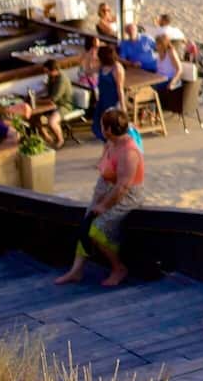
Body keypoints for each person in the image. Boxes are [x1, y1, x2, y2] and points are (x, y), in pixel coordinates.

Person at [56, 108, 143, 287]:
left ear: (109, 130)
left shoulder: (129, 152)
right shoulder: (111, 142)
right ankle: (76, 270)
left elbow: (123, 187)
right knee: (86, 224)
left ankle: (118, 268)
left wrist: (104, 205)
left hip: (125, 196)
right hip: (105, 187)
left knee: (97, 230)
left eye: (103, 126)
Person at [34, 62, 74, 148]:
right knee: (35, 117)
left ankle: (60, 140)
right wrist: (35, 94)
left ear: (55, 70)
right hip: (53, 104)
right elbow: (47, 90)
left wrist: (36, 101)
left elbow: (53, 99)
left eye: (47, 72)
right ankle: (47, 137)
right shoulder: (51, 76)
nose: (46, 74)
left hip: (64, 105)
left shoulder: (62, 80)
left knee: (52, 122)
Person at [91, 48, 126, 141]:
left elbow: (120, 88)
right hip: (102, 99)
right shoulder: (102, 66)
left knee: (111, 125)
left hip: (112, 100)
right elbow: (88, 71)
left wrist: (123, 107)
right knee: (99, 125)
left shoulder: (117, 68)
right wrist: (90, 53)